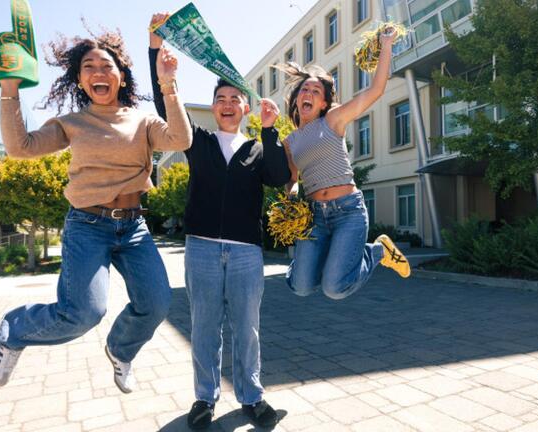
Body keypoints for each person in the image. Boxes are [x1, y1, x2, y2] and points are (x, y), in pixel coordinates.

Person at [0, 29, 192, 393]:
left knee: (158, 304)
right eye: (89, 67)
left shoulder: (142, 120)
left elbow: (180, 140)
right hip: (87, 225)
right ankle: (15, 328)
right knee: (83, 314)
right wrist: (9, 89)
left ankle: (120, 349)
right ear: (80, 79)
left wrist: (169, 85)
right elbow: (21, 147)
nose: (98, 72)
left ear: (121, 76)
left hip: (134, 229)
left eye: (106, 66)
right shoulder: (73, 124)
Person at [149, 14, 289, 430]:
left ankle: (251, 395)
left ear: (245, 107)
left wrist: (269, 131)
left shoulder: (259, 149)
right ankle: (204, 398)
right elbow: (164, 107)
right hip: (203, 249)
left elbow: (280, 178)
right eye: (221, 99)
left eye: (235, 99)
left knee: (247, 328)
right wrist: (157, 52)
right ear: (214, 107)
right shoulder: (198, 141)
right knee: (204, 327)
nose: (228, 105)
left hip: (247, 252)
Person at [279, 27, 411, 301]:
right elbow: (292, 179)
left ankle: (377, 251)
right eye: (305, 88)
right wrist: (290, 201)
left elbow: (376, 90)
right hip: (314, 215)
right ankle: (320, 258)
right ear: (297, 98)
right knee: (300, 287)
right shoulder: (289, 141)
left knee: (334, 288)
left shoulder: (333, 120)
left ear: (324, 102)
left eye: (316, 90)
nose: (309, 92)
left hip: (348, 211)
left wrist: (386, 45)